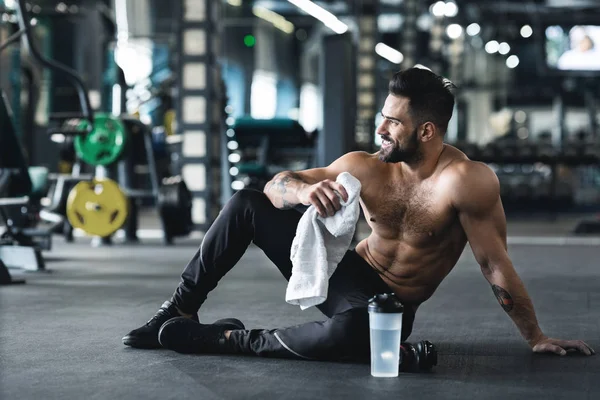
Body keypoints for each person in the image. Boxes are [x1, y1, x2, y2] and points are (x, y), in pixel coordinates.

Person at [123, 67, 595, 364]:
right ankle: (178, 309)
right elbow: (274, 185)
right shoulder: (364, 166)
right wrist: (303, 192)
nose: (381, 129)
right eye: (382, 116)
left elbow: (494, 263)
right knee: (246, 201)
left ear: (427, 131)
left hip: (391, 307)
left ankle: (226, 340)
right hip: (346, 274)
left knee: (355, 330)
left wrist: (535, 336)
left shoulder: (466, 181)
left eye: (394, 122)